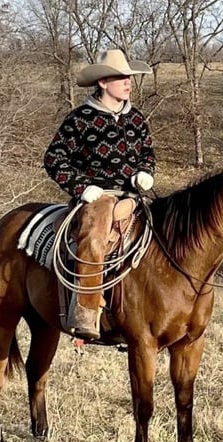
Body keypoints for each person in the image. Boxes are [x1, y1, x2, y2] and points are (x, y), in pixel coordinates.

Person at [43, 49, 156, 340]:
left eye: (130, 77)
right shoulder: (80, 119)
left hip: (133, 195)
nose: (128, 82)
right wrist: (82, 188)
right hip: (96, 197)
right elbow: (54, 159)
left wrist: (145, 172)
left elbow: (147, 154)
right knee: (94, 237)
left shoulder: (137, 119)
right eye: (121, 78)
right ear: (103, 82)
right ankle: (85, 310)